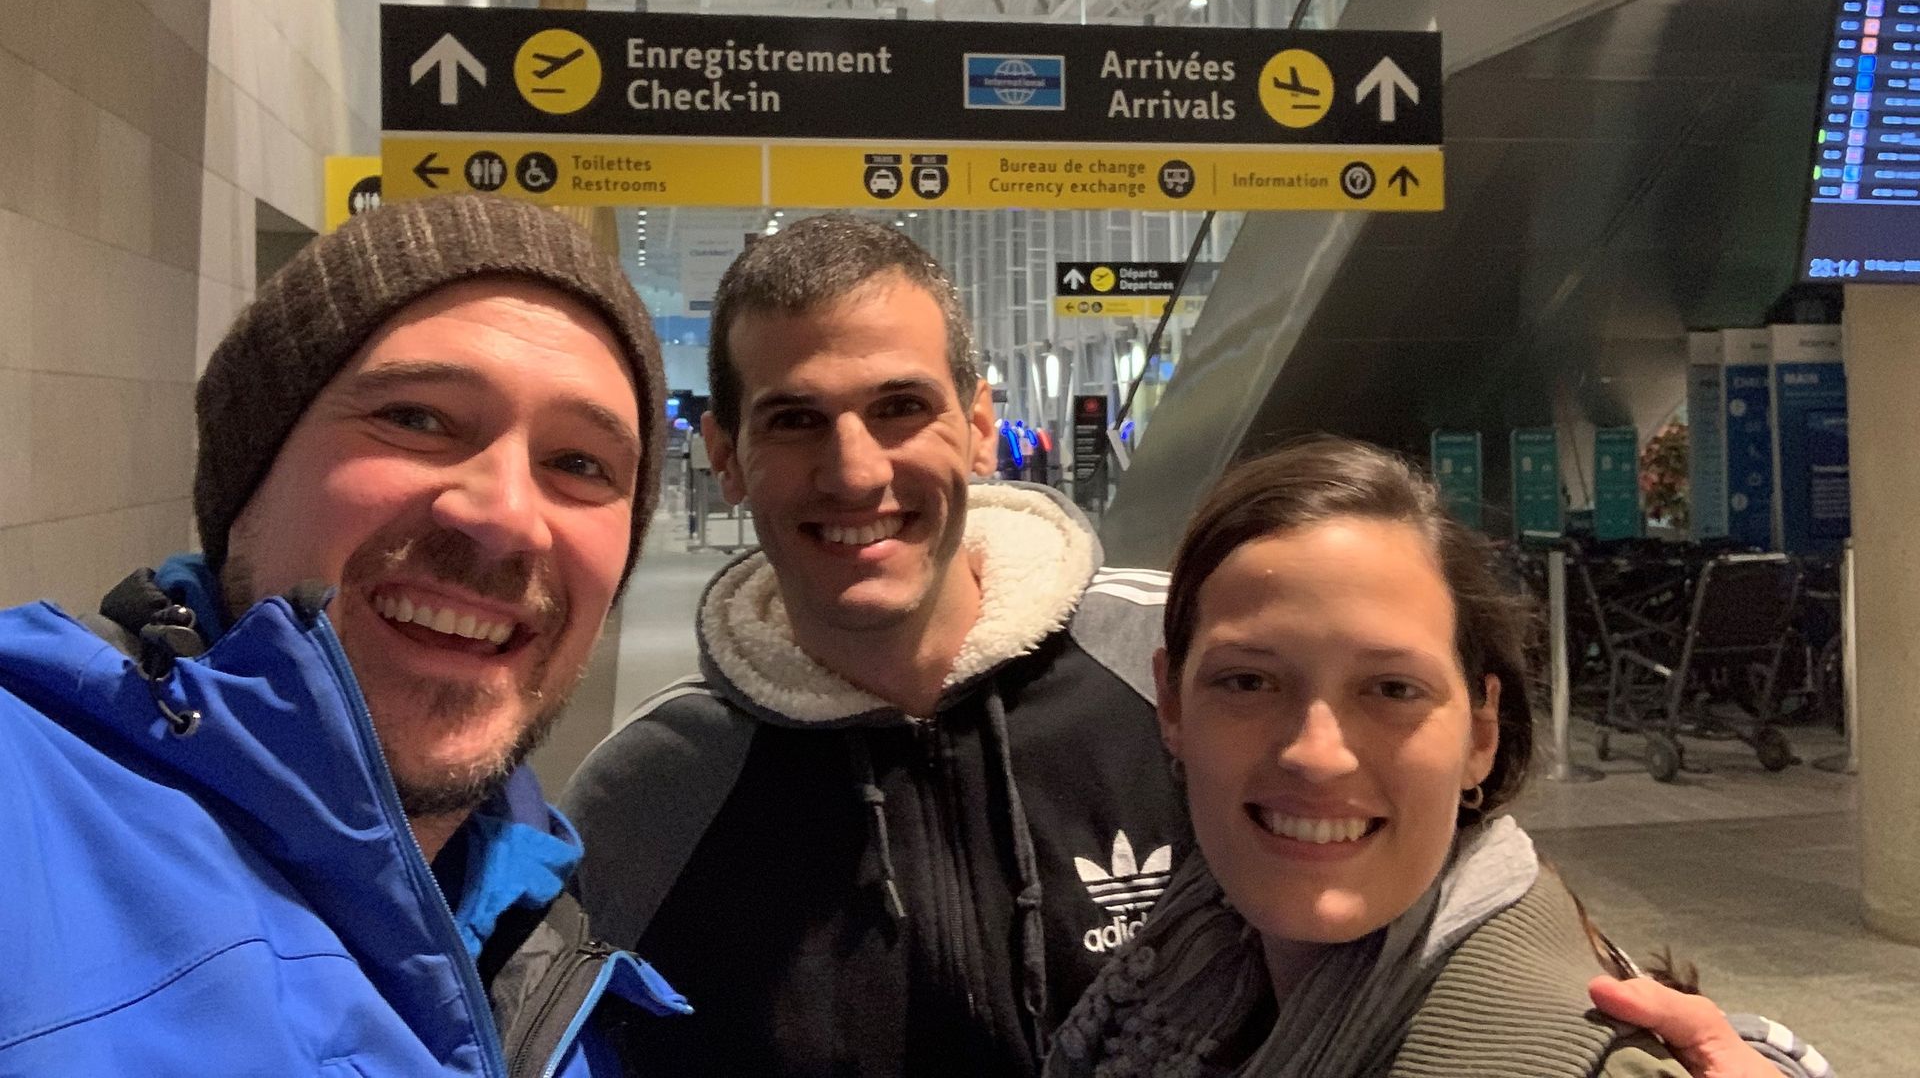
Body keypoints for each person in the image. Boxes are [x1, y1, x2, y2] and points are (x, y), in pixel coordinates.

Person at [0, 193, 687, 1075]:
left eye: (580, 465)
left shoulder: (543, 938)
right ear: (250, 481)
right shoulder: (27, 804)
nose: (508, 516)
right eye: (414, 417)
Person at [564, 215, 1189, 1078]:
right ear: (726, 458)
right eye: (794, 420)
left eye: (900, 408)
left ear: (977, 426)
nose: (855, 473)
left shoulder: (1184, 672)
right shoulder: (647, 800)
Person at [1048, 437, 1828, 1078]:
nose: (1318, 755)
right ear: (1174, 706)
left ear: (1480, 735)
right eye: (1248, 681)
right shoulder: (1190, 967)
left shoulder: (1557, 1052)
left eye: (1391, 688)